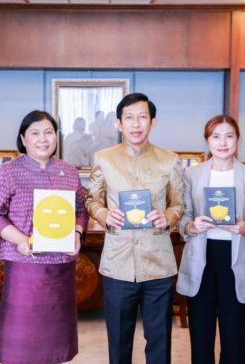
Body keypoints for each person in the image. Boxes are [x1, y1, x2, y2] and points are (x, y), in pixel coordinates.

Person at [86, 92, 184, 364]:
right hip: (118, 263)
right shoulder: (104, 158)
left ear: (153, 122)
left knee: (159, 341)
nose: (136, 124)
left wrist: (168, 216)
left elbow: (179, 203)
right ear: (119, 123)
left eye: (142, 117)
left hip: (158, 264)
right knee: (119, 341)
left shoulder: (169, 159)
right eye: (129, 118)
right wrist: (105, 214)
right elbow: (92, 200)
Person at [0, 110, 88, 364]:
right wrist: (20, 239)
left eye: (48, 132)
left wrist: (77, 232)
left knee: (55, 344)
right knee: (22, 343)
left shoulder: (68, 171)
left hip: (61, 267)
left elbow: (80, 211)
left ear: (56, 136)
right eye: (35, 133)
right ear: (23, 138)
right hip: (24, 267)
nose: (43, 139)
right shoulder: (8, 171)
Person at [177, 115, 245, 364]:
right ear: (208, 140)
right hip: (201, 259)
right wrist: (192, 225)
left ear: (237, 139)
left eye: (229, 136)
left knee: (234, 336)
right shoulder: (192, 174)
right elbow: (183, 216)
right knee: (201, 336)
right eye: (216, 136)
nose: (222, 142)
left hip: (235, 261)